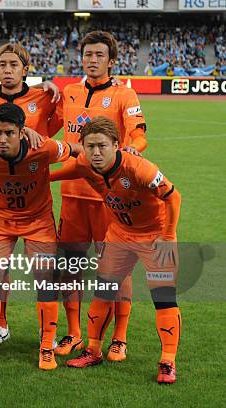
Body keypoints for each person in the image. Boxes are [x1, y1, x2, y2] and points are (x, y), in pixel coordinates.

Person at [55, 117, 181, 384]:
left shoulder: (140, 168)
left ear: (116, 144)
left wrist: (168, 236)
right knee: (103, 292)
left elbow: (173, 196)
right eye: (90, 146)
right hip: (119, 235)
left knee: (164, 297)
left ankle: (167, 361)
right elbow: (65, 172)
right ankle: (93, 350)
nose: (96, 152)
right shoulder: (85, 164)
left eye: (102, 145)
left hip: (154, 237)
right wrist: (35, 174)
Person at [53, 30, 148, 360]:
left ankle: (119, 338)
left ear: (111, 60)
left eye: (98, 55)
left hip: (110, 199)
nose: (92, 60)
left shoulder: (125, 95)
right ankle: (73, 333)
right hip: (73, 195)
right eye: (87, 55)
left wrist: (124, 155)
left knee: (116, 271)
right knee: (71, 267)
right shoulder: (70, 91)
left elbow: (139, 138)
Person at [0, 103, 79, 370]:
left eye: (9, 133)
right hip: (0, 221)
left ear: (22, 132)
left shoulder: (45, 149)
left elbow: (76, 149)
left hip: (38, 222)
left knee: (45, 280)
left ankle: (46, 346)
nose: (2, 139)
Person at [0, 42, 63, 345]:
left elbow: (56, 132)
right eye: (3, 65)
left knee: (43, 272)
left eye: (14, 65)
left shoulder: (43, 97)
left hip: (34, 199)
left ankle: (45, 330)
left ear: (26, 69)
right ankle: (0, 324)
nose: (8, 70)